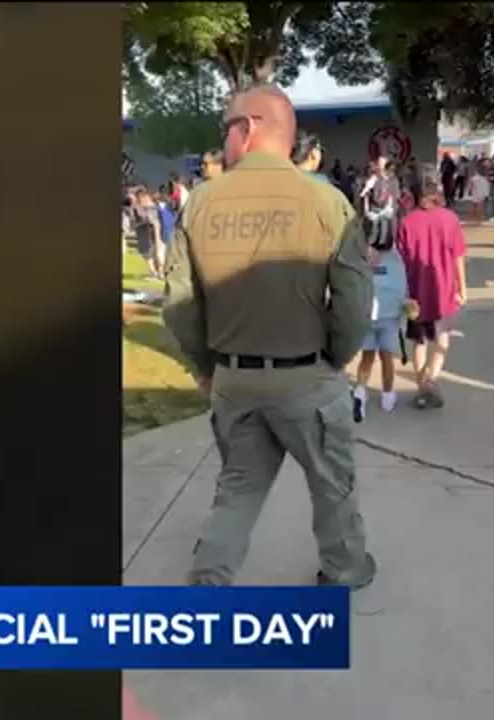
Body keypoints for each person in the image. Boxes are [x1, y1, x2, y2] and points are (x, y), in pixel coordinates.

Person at [161, 83, 378, 590]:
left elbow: (178, 302)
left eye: (225, 130)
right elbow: (352, 300)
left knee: (237, 486)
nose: (223, 143)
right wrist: (337, 356)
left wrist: (207, 366)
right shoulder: (327, 201)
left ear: (249, 127)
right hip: (306, 376)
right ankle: (344, 570)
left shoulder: (199, 204)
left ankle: (209, 581)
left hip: (234, 381)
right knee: (332, 484)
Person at [398, 179, 467, 409]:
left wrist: (403, 293)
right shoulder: (450, 219)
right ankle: (432, 380)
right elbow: (458, 256)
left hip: (416, 290)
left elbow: (402, 261)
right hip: (444, 289)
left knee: (419, 341)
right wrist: (462, 288)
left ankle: (421, 388)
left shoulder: (407, 222)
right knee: (442, 337)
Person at [351, 223, 409, 421]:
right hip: (387, 317)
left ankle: (363, 391)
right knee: (384, 357)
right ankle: (384, 394)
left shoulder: (366, 256)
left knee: (370, 357)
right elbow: (402, 287)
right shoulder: (394, 259)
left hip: (371, 315)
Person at [359, 155, 399, 246]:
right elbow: (365, 192)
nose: (380, 165)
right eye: (379, 163)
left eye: (382, 163)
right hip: (375, 209)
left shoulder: (392, 178)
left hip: (388, 209)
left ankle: (385, 243)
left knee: (385, 228)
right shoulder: (374, 178)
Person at [131, 188, 163, 278]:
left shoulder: (139, 206)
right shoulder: (152, 205)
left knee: (150, 251)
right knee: (155, 251)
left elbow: (140, 219)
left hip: (147, 230)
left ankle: (156, 271)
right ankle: (157, 272)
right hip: (152, 229)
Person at [153, 187, 175, 270]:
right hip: (167, 230)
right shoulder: (169, 205)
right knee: (164, 251)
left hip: (165, 231)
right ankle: (162, 269)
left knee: (162, 251)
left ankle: (162, 270)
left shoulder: (168, 206)